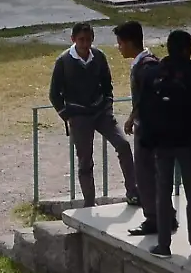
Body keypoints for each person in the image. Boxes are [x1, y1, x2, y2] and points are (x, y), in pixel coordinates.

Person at [130, 29, 191, 257]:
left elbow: (144, 108)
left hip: (162, 144)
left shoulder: (154, 73)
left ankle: (164, 244)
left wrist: (150, 140)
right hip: (189, 144)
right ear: (186, 49)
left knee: (163, 193)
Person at [50, 23, 140, 209]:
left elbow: (107, 84)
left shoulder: (98, 56)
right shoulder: (64, 61)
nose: (85, 44)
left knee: (122, 145)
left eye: (88, 40)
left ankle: (132, 191)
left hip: (100, 112)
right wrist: (67, 115)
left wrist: (107, 103)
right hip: (79, 116)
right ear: (73, 40)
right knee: (85, 161)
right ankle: (89, 203)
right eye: (81, 40)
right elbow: (54, 93)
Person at [115, 22, 165, 238]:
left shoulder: (144, 66)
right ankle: (164, 214)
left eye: (120, 43)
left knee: (145, 173)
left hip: (148, 129)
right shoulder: (147, 62)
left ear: (128, 43)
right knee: (154, 172)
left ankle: (154, 217)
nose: (119, 48)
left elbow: (147, 98)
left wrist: (136, 118)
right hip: (147, 125)